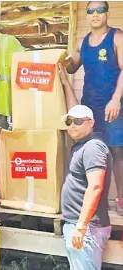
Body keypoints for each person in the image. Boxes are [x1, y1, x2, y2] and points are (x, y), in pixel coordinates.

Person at [66, 1, 123, 215]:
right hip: (89, 106)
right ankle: (92, 199)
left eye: (100, 10)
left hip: (113, 105)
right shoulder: (83, 43)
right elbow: (72, 66)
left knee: (117, 150)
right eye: (90, 11)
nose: (95, 14)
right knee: (90, 151)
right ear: (87, 16)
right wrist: (60, 60)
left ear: (107, 14)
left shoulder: (117, 37)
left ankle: (120, 200)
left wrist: (116, 99)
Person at [60, 104, 112, 270]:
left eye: (78, 121)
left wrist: (81, 226)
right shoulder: (82, 146)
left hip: (86, 228)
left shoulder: (93, 147)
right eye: (69, 121)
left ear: (91, 123)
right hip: (79, 226)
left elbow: (95, 186)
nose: (72, 125)